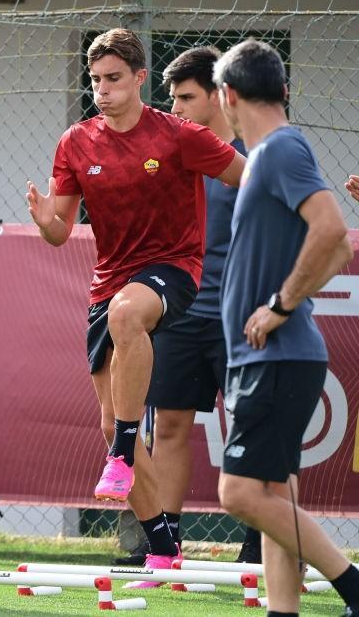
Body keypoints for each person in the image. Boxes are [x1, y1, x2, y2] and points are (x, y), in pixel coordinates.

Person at [26, 28, 245, 586]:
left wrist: (298, 193)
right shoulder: (76, 141)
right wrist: (45, 219)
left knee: (128, 315)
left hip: (175, 270)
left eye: (114, 79)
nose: (102, 89)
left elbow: (249, 176)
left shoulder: (179, 136)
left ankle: (122, 454)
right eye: (95, 80)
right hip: (109, 281)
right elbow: (59, 230)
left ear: (140, 79)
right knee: (107, 416)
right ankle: (164, 549)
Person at [213, 38, 358, 617]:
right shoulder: (273, 153)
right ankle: (283, 612)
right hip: (273, 358)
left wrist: (279, 304)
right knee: (276, 496)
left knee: (241, 494)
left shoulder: (277, 150)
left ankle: (353, 586)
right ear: (284, 90)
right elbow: (335, 247)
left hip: (275, 357)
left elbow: (331, 229)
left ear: (227, 96)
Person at [147, 46, 260, 563]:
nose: (177, 109)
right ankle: (165, 546)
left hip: (241, 319)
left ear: (219, 95)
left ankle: (262, 545)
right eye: (172, 100)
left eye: (187, 98)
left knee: (251, 428)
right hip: (181, 312)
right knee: (168, 425)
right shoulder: (172, 154)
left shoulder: (257, 155)